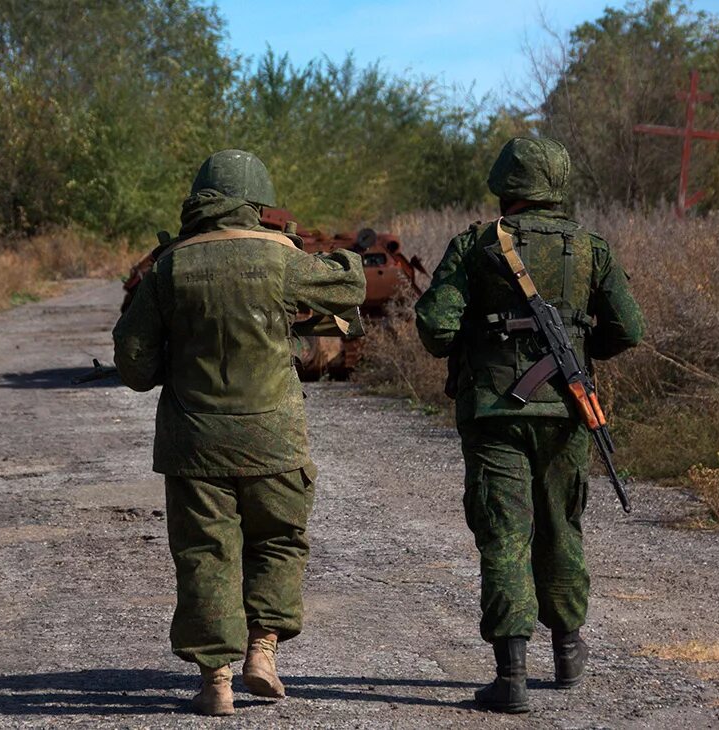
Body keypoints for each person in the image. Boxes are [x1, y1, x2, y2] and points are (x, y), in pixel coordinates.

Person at [112, 149, 367, 716]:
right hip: (274, 439)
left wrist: (169, 365)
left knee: (206, 553)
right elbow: (350, 287)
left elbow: (133, 365)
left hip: (193, 443)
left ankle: (216, 683)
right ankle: (263, 651)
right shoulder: (281, 259)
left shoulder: (169, 267)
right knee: (277, 541)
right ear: (258, 202)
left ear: (199, 200)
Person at [414, 137, 644, 713]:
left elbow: (435, 328)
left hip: (495, 414)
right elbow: (628, 329)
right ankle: (568, 653)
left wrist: (480, 335)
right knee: (562, 527)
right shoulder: (591, 249)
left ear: (505, 185)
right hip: (568, 411)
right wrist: (579, 345)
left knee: (505, 533)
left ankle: (511, 677)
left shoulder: (476, 245)